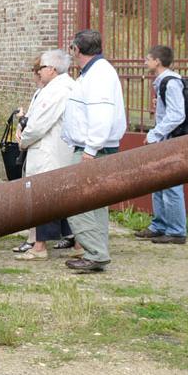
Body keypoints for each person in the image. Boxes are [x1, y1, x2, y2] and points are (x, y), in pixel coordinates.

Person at [61, 29, 126, 274]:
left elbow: (100, 115)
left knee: (76, 201)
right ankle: (97, 251)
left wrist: (89, 150)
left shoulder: (98, 75)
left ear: (76, 49)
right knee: (95, 204)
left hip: (93, 149)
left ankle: (95, 252)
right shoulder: (96, 72)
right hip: (95, 147)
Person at [12, 50, 79, 259]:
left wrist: (23, 140)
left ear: (51, 69)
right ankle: (77, 242)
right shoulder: (62, 87)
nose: (38, 73)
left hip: (49, 152)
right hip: (55, 150)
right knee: (59, 198)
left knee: (44, 198)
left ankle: (39, 247)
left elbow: (39, 124)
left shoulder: (57, 90)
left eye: (40, 68)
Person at [137, 45, 188, 245]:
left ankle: (176, 231)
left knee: (172, 184)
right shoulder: (162, 82)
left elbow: (177, 114)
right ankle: (159, 225)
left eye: (148, 58)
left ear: (157, 61)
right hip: (163, 138)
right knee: (158, 181)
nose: (145, 61)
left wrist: (155, 134)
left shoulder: (171, 82)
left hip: (170, 139)